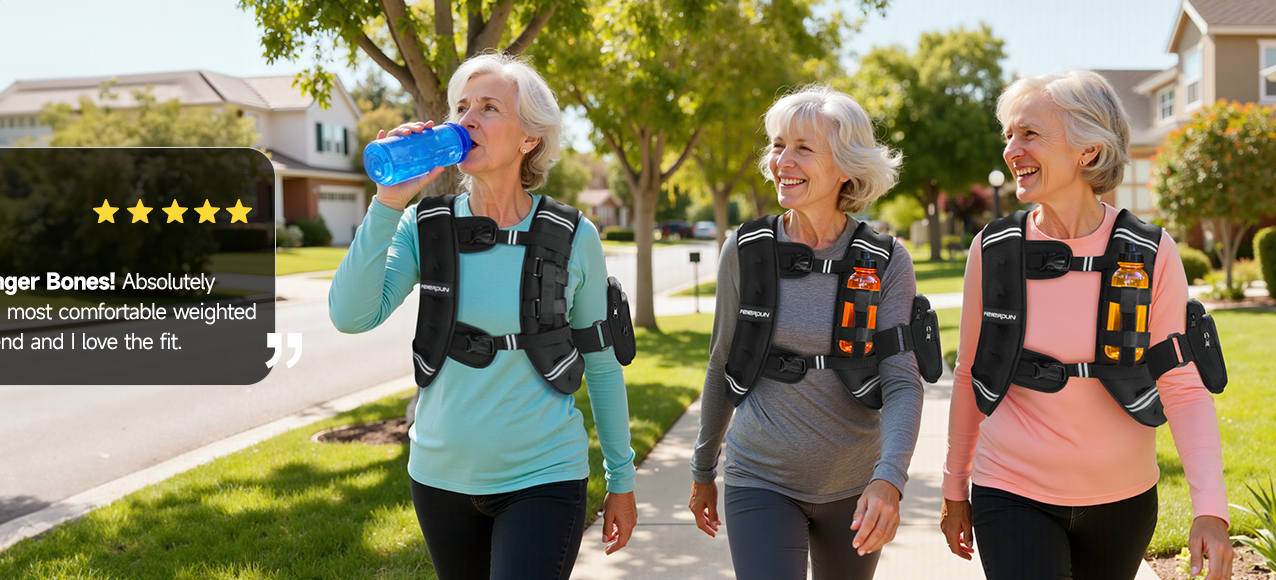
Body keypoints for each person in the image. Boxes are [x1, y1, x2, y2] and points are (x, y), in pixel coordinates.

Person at [329, 53, 637, 580]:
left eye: (489, 108)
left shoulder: (573, 235)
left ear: (529, 139)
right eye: (461, 107)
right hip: (438, 479)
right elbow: (350, 315)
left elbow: (603, 364)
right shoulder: (423, 224)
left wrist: (621, 479)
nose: (467, 119)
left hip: (544, 476)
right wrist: (387, 203)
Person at [939, 70, 1233, 580]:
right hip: (1010, 489)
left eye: (1029, 133)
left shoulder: (1150, 252)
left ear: (1088, 152)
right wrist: (953, 487)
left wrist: (1210, 506)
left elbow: (1182, 387)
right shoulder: (993, 251)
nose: (1011, 149)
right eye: (1009, 134)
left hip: (1123, 500)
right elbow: (968, 372)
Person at [688, 85, 922, 580]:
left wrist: (890, 479)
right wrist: (703, 467)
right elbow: (722, 359)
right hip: (760, 475)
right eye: (777, 145)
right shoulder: (746, 249)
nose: (782, 161)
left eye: (803, 148)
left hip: (856, 481)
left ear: (845, 165)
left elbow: (902, 379)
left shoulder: (885, 261)